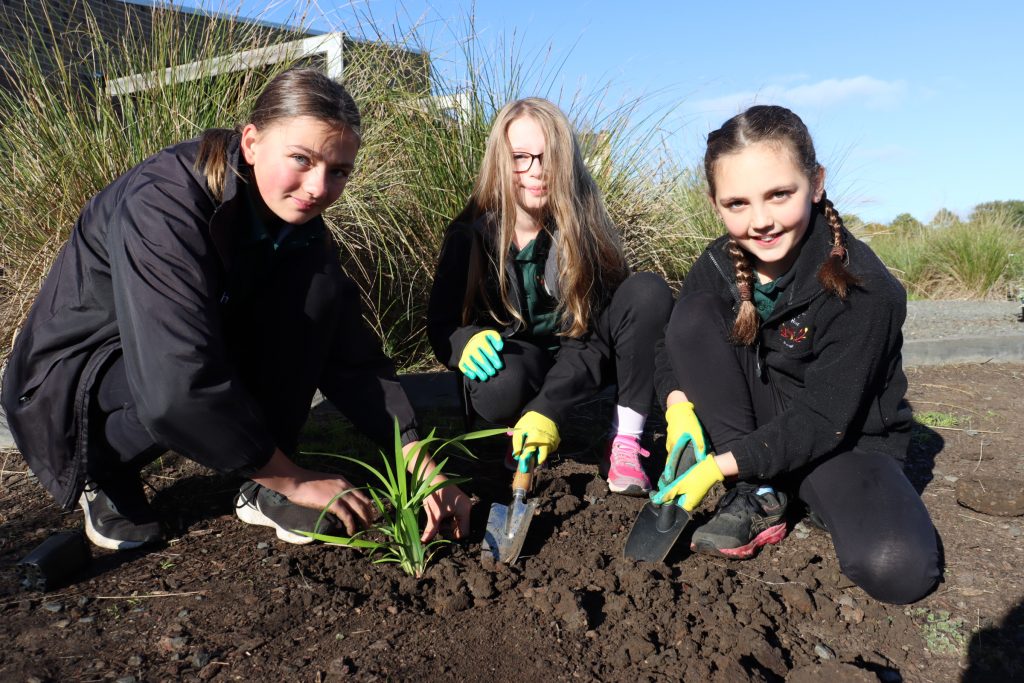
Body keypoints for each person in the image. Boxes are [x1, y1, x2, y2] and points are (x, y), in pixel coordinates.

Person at [2, 68, 470, 551]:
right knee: (180, 373)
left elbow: (349, 353)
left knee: (316, 300)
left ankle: (263, 474)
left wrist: (421, 463)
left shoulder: (297, 224)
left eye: (338, 171)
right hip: (75, 384)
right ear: (251, 142)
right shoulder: (163, 203)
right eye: (302, 159)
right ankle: (100, 470)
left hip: (172, 356)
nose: (317, 187)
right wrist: (296, 481)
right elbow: (174, 383)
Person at [651, 105, 940, 604]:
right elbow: (669, 346)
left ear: (816, 183)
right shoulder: (718, 262)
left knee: (899, 569)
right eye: (737, 203)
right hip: (756, 425)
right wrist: (677, 406)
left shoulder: (864, 288)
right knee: (692, 314)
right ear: (715, 204)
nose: (761, 221)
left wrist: (718, 467)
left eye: (779, 194)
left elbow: (823, 419)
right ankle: (759, 491)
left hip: (841, 440)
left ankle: (777, 480)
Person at [427, 98, 672, 494]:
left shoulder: (585, 232)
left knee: (649, 291)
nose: (537, 170)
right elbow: (441, 324)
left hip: (589, 357)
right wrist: (463, 341)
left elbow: (590, 342)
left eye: (549, 157)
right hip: (523, 363)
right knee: (500, 385)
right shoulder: (468, 237)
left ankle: (625, 439)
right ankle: (520, 427)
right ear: (500, 161)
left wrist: (549, 408)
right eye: (520, 157)